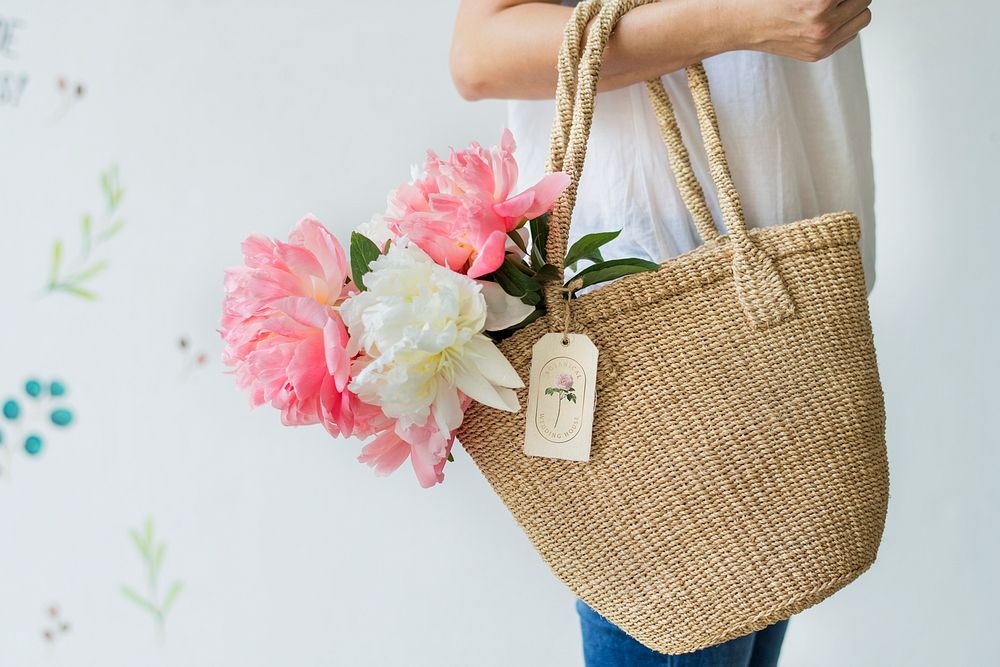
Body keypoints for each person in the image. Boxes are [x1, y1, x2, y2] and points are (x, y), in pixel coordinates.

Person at [450, 0, 875, 665]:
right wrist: (743, 22)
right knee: (670, 615)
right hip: (645, 291)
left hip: (783, 267)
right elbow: (480, 52)